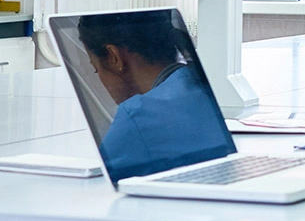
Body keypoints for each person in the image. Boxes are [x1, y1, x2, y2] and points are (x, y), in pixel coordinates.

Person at [77, 11, 231, 181]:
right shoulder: (204, 83)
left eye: (96, 68)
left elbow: (100, 181)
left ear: (114, 58)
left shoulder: (137, 115)